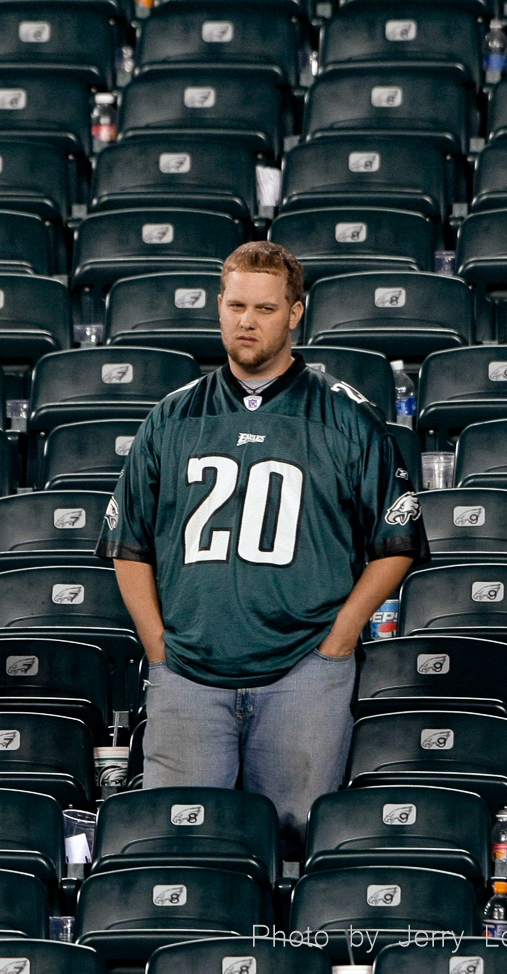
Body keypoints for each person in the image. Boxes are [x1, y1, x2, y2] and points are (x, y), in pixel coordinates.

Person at [96, 241, 429, 850]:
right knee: (182, 842)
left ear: (296, 313)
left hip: (304, 669)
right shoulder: (171, 417)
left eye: (266, 309)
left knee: (298, 839)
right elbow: (128, 545)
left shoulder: (345, 416)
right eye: (236, 305)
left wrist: (339, 641)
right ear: (219, 306)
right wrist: (160, 649)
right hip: (189, 674)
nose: (247, 321)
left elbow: (397, 539)